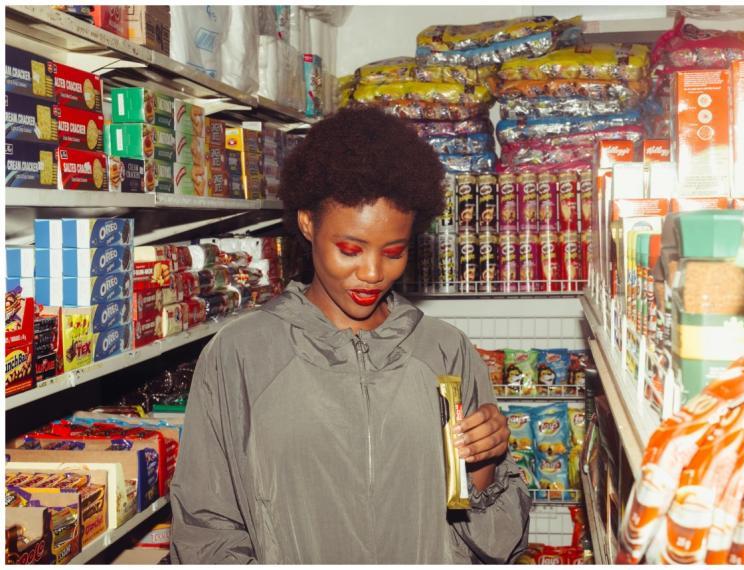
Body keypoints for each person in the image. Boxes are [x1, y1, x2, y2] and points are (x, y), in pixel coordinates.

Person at [169, 107, 531, 564]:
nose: (373, 274)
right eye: (350, 250)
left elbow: (490, 540)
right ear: (307, 223)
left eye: (394, 252)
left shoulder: (444, 350)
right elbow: (207, 528)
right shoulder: (241, 354)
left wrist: (484, 463)